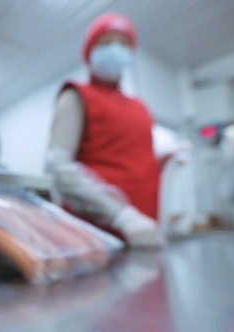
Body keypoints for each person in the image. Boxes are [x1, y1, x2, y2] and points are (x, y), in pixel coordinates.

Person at [46, 13, 170, 248]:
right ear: (90, 51)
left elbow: (131, 161)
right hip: (94, 239)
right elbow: (57, 165)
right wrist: (121, 215)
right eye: (106, 42)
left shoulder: (140, 107)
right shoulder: (77, 95)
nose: (116, 48)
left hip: (143, 236)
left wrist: (163, 160)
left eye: (124, 43)